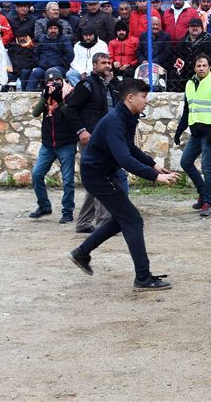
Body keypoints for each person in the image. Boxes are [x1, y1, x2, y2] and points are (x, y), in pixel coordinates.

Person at [68, 78, 179, 292]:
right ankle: (143, 278)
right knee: (133, 219)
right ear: (130, 98)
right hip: (97, 175)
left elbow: (131, 149)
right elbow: (125, 159)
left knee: (123, 219)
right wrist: (155, 178)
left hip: (104, 173)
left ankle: (82, 253)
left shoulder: (127, 117)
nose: (146, 101)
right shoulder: (116, 121)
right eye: (144, 97)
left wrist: (154, 165)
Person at [64, 52, 122, 234]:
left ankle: (83, 222)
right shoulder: (86, 85)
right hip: (91, 139)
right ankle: (104, 222)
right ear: (94, 65)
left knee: (96, 179)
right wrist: (81, 130)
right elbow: (70, 109)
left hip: (107, 139)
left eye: (109, 63)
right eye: (103, 63)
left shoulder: (109, 86)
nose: (107, 66)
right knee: (102, 177)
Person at [174, 54, 211, 217]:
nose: (201, 68)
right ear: (195, 68)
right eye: (198, 66)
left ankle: (209, 203)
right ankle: (203, 192)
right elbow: (187, 110)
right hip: (196, 133)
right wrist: (179, 130)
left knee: (207, 167)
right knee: (186, 162)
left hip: (210, 132)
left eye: (204, 65)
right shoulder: (190, 84)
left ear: (209, 67)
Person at [30, 68, 79, 223]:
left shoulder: (70, 93)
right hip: (48, 144)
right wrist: (44, 98)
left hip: (66, 143)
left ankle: (67, 211)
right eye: (50, 81)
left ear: (62, 80)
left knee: (67, 180)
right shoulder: (46, 95)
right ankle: (44, 206)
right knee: (37, 174)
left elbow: (71, 115)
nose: (53, 83)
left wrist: (60, 100)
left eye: (56, 80)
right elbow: (35, 113)